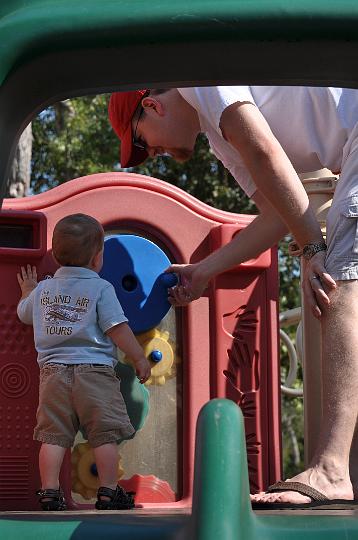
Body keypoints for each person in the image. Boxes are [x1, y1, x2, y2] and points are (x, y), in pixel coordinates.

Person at [108, 86, 358, 509]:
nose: (152, 154)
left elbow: (266, 153)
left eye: (141, 142)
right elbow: (278, 213)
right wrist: (205, 270)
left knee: (338, 281)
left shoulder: (199, 80)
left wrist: (313, 249)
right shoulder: (221, 137)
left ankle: (333, 469)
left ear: (151, 105)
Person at [17, 213, 151, 511]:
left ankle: (49, 493)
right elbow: (117, 328)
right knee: (104, 435)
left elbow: (24, 314)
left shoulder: (44, 290)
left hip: (52, 374)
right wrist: (138, 357)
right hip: (95, 374)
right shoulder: (101, 289)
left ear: (55, 253)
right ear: (97, 258)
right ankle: (108, 491)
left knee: (53, 435)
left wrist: (28, 291)